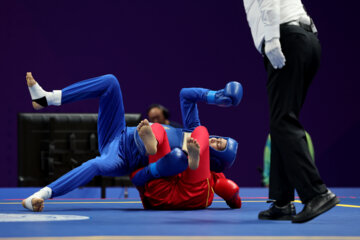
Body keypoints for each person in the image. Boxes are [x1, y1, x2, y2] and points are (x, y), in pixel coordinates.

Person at [23, 72, 242, 212]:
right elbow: (186, 95)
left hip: (123, 158)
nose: (215, 139)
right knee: (110, 82)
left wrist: (228, 195)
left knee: (96, 165)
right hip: (118, 133)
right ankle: (46, 99)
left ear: (215, 158)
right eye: (220, 138)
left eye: (219, 145)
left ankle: (42, 194)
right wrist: (215, 96)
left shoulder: (194, 173)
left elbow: (213, 190)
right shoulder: (193, 130)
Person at [242, 0, 339, 223]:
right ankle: (282, 202)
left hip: (286, 38)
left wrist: (274, 40)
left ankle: (317, 193)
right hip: (304, 40)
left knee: (282, 120)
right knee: (281, 121)